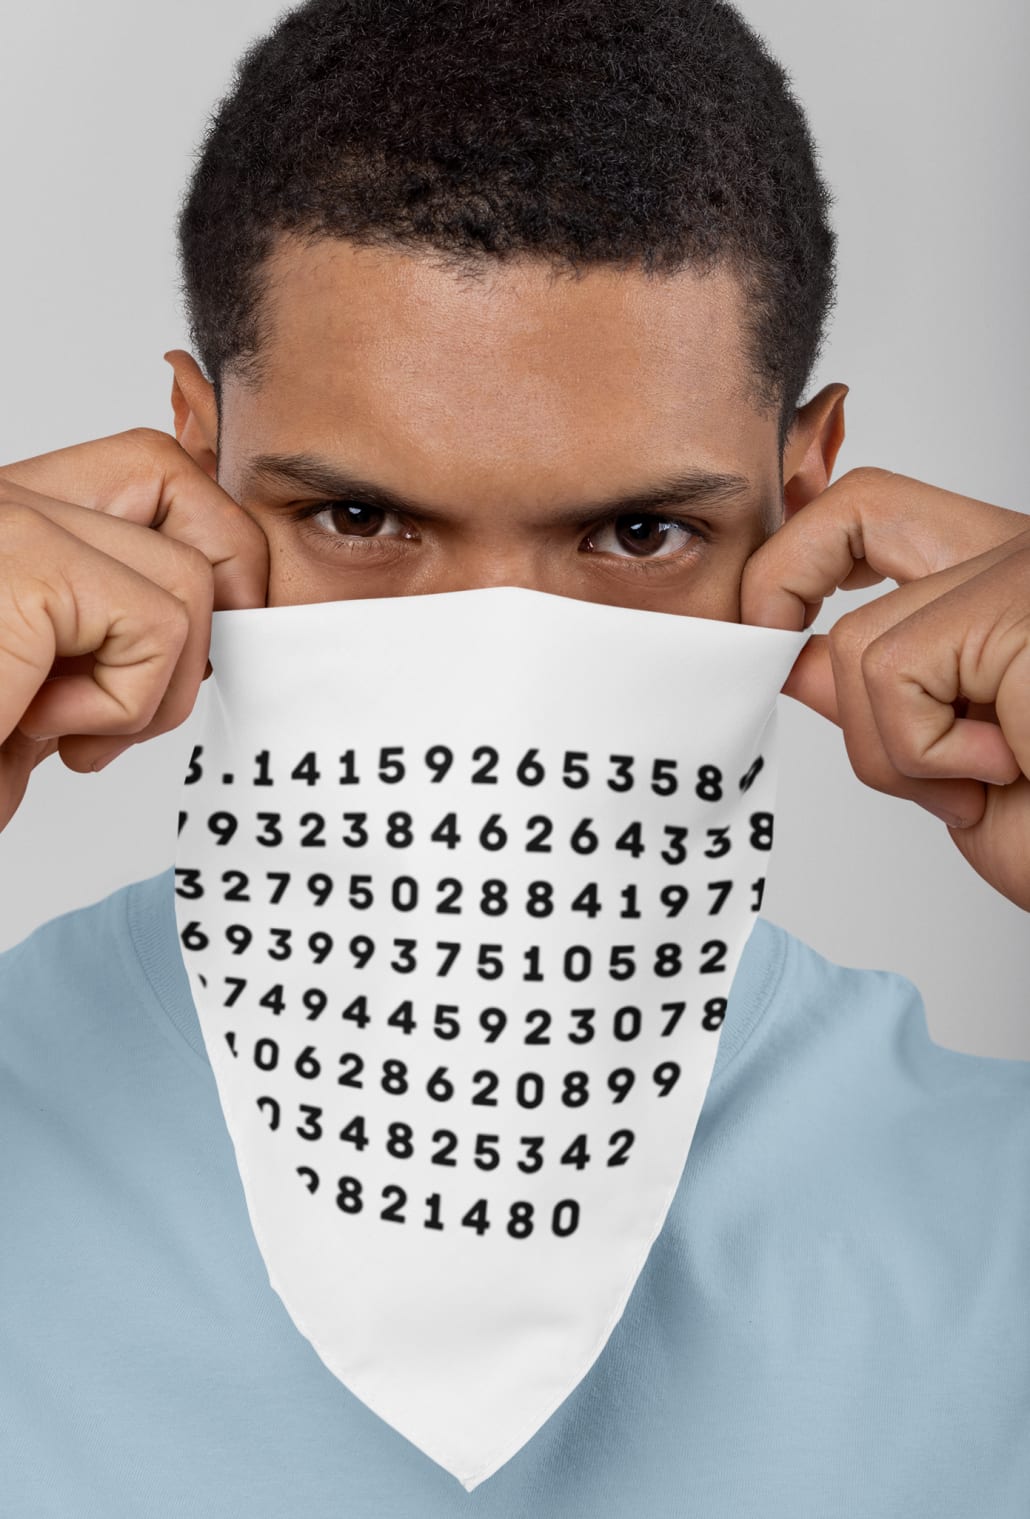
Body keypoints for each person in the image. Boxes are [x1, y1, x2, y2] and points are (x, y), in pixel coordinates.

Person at [1, 0, 1027, 1514]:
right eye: (357, 520)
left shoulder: (990, 1202)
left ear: (802, 493)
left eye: (636, 533)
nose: (496, 664)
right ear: (192, 454)